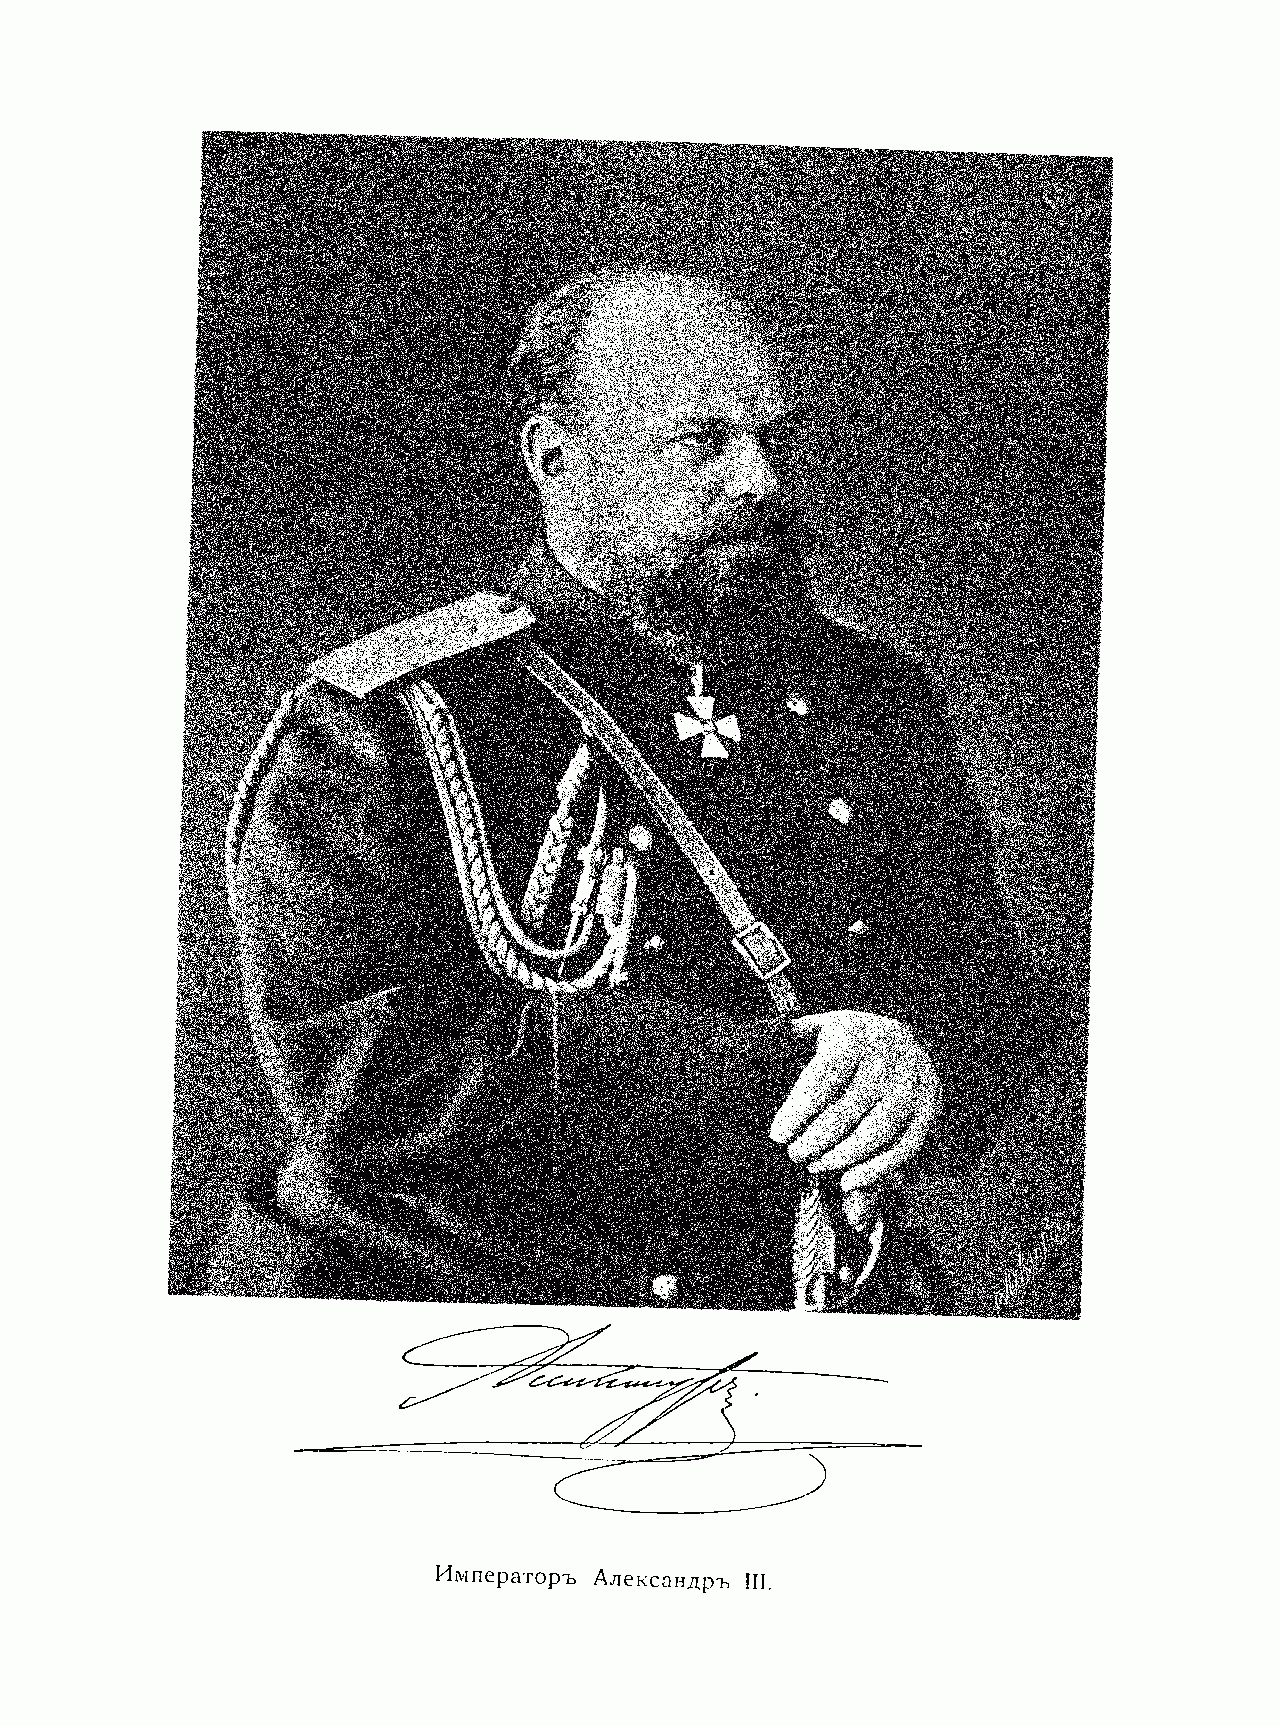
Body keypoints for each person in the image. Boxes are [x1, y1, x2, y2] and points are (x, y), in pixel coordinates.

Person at [210, 267, 1055, 1312]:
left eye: (772, 439)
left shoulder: (870, 696)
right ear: (554, 458)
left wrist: (916, 1061)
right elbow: (369, 1076)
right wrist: (780, 1068)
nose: (758, 479)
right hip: (451, 1315)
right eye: (701, 442)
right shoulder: (386, 722)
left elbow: (987, 994)